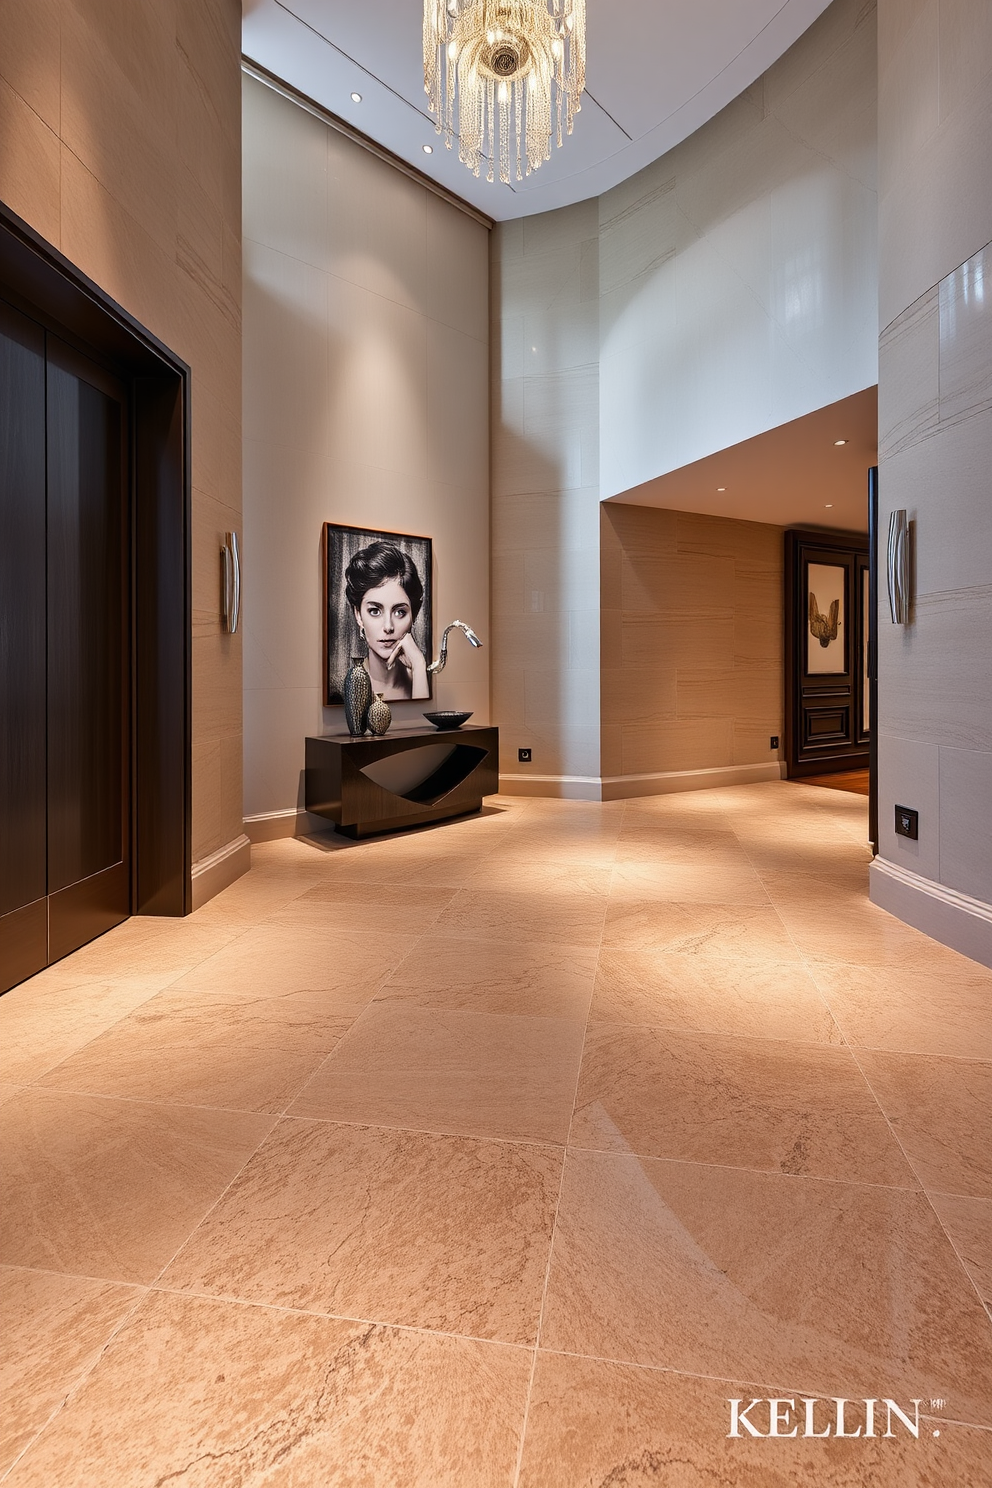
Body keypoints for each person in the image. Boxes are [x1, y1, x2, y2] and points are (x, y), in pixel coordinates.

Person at [344, 541, 429, 700]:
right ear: (358, 615)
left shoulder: (421, 678)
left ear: (413, 616)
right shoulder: (349, 690)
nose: (388, 627)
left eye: (400, 612)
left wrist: (418, 666)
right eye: (375, 611)